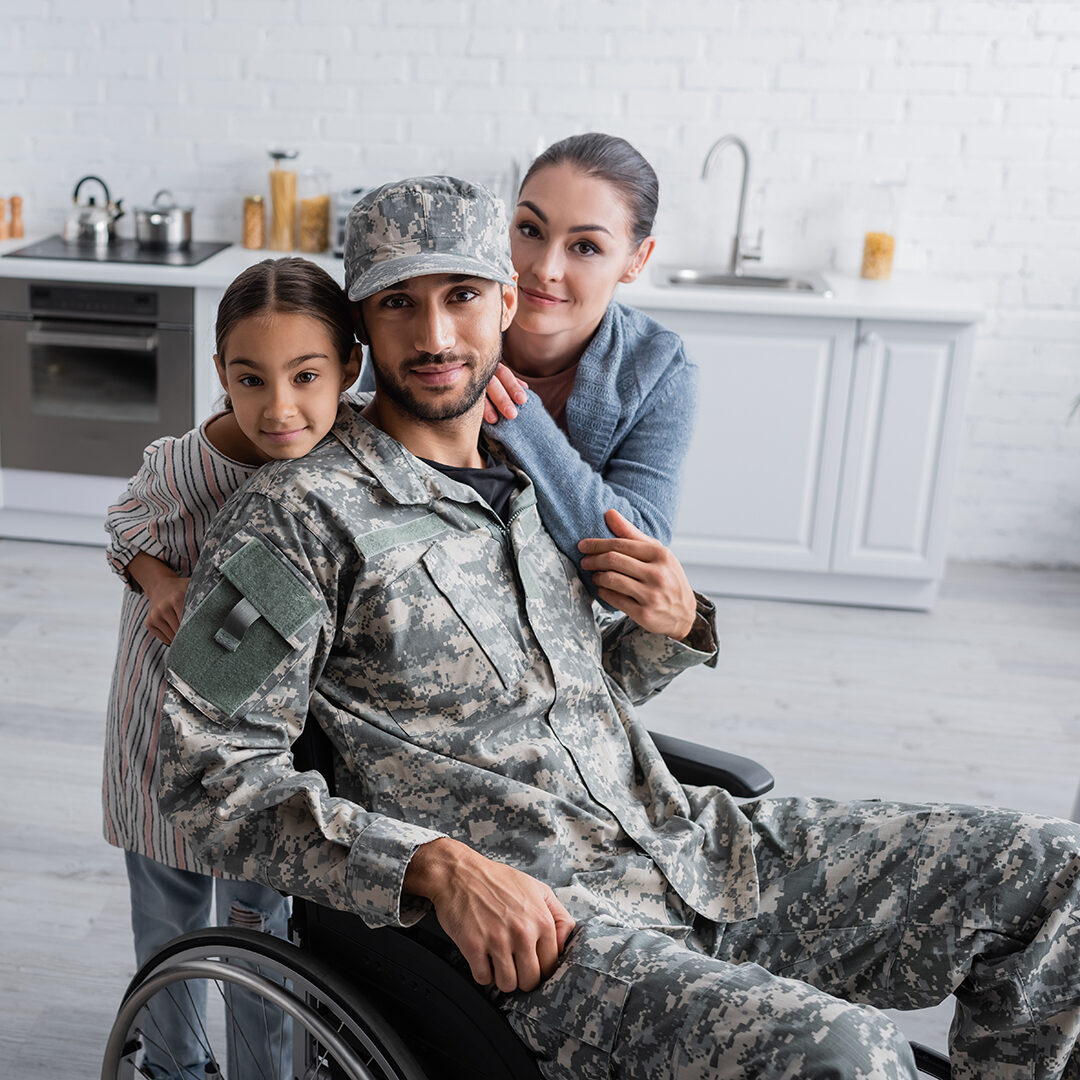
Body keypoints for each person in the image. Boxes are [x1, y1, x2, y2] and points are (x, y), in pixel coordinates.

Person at [159, 177, 1080, 1080]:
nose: (436, 335)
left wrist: (668, 627)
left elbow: (550, 698)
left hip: (689, 847)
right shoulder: (294, 519)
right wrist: (433, 868)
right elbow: (201, 781)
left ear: (507, 302)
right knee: (851, 1055)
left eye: (464, 295)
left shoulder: (532, 483)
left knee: (1057, 875)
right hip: (549, 934)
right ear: (360, 329)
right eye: (399, 304)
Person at [103, 256, 360, 1080]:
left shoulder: (354, 449)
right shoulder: (185, 463)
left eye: (306, 376)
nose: (278, 409)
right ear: (221, 376)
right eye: (251, 380)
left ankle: (266, 1069)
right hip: (164, 721)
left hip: (275, 750)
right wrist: (158, 580)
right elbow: (125, 524)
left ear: (348, 369)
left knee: (263, 927)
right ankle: (173, 1067)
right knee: (173, 923)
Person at [356, 133, 694, 590]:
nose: (545, 268)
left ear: (637, 260)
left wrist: (517, 417)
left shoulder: (657, 367)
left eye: (586, 247)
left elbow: (633, 569)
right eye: (530, 231)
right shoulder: (430, 330)